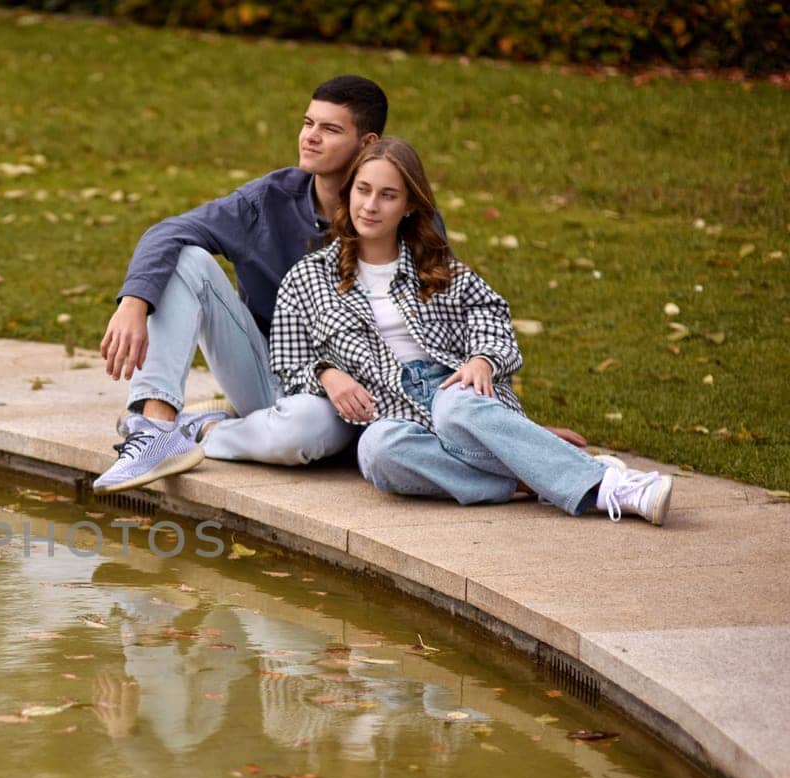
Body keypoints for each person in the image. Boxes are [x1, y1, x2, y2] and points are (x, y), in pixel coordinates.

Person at [267, 137, 672, 525]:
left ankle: (612, 488)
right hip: (394, 412)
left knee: (455, 406)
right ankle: (532, 475)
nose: (370, 206)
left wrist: (482, 360)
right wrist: (327, 374)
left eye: (388, 195)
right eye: (363, 190)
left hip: (457, 392)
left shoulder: (442, 269)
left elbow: (492, 318)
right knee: (377, 450)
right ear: (348, 192)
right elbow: (287, 361)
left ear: (409, 205)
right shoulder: (307, 278)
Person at [94, 75, 384, 493]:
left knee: (303, 434)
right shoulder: (269, 199)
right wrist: (134, 302)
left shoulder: (399, 212)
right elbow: (169, 232)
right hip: (268, 372)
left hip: (347, 399)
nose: (311, 137)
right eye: (308, 123)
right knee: (187, 256)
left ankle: (206, 431)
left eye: (330, 129)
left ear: (367, 143)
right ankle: (156, 429)